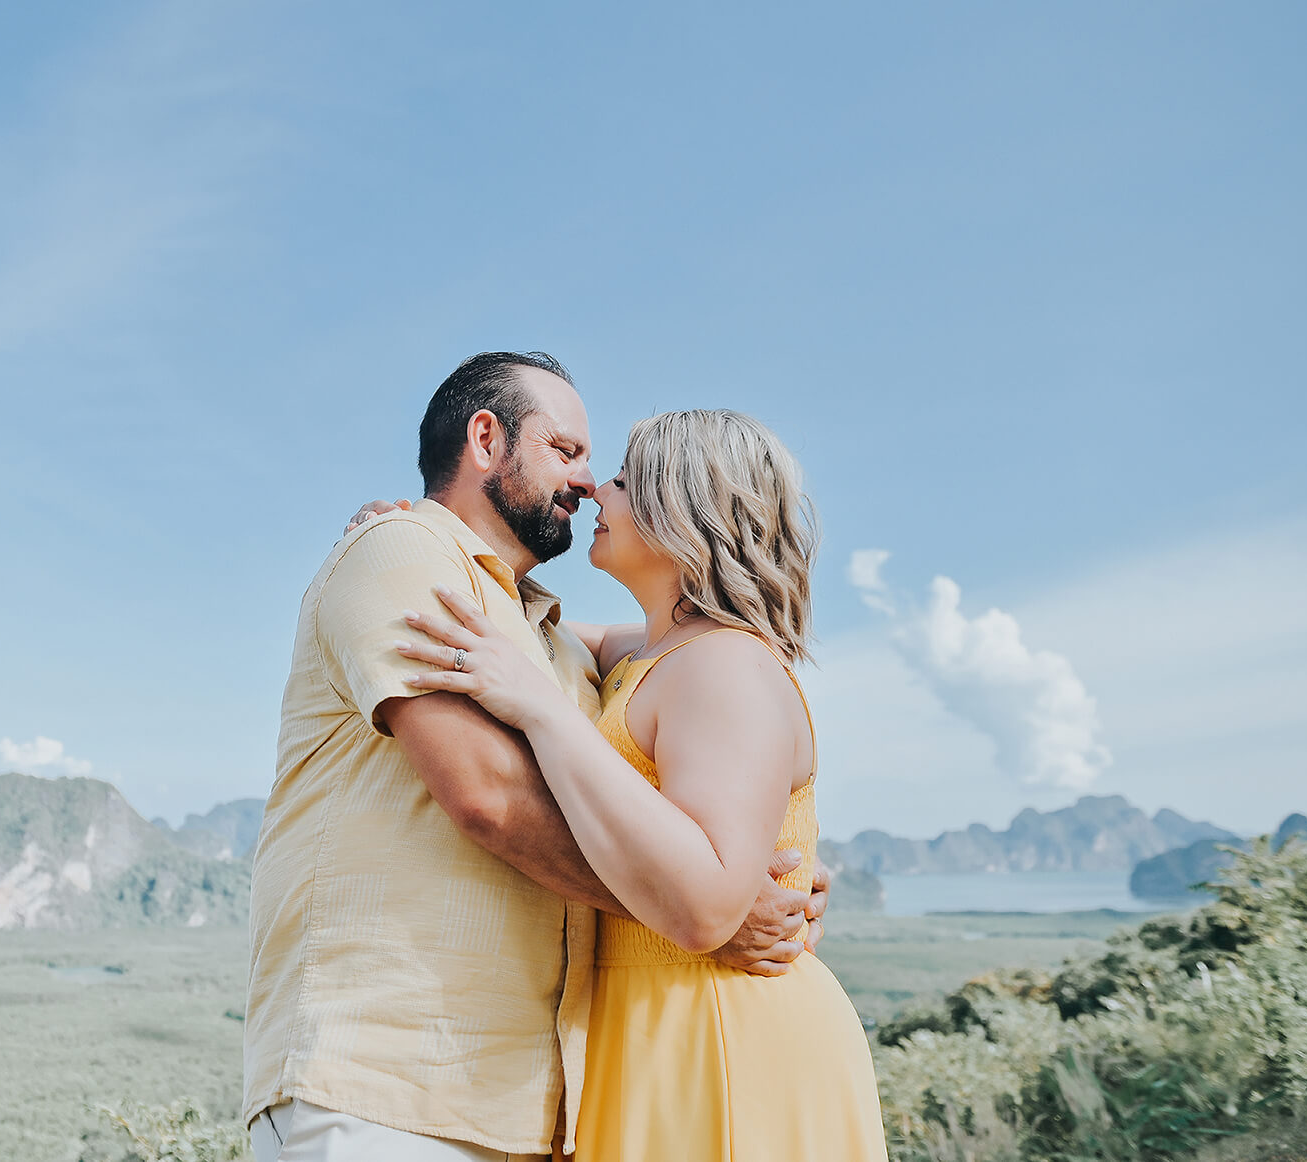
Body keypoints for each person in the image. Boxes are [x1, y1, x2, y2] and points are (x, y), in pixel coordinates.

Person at [243, 354, 831, 1162]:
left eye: (608, 469)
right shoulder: (407, 559)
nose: (589, 484)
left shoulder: (550, 641)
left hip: (535, 1109)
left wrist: (770, 874)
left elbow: (695, 676)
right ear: (486, 439)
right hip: (389, 1090)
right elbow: (489, 793)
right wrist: (706, 916)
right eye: (568, 451)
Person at [397, 408, 888, 1161]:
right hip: (648, 1023)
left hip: (720, 1031)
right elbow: (554, 635)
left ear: (678, 513)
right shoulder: (651, 653)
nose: (596, 491)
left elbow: (706, 910)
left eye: (623, 480)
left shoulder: (725, 666)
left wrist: (537, 707)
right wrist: (422, 537)